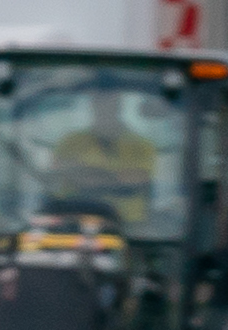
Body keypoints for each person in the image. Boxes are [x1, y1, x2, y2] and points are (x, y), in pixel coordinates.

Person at [46, 90, 156, 233]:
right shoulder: (70, 142)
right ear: (92, 106)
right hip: (74, 225)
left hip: (128, 228)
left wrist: (80, 172)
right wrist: (114, 178)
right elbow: (57, 175)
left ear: (119, 107)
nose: (104, 109)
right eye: (99, 103)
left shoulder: (141, 145)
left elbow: (136, 180)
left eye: (110, 104)